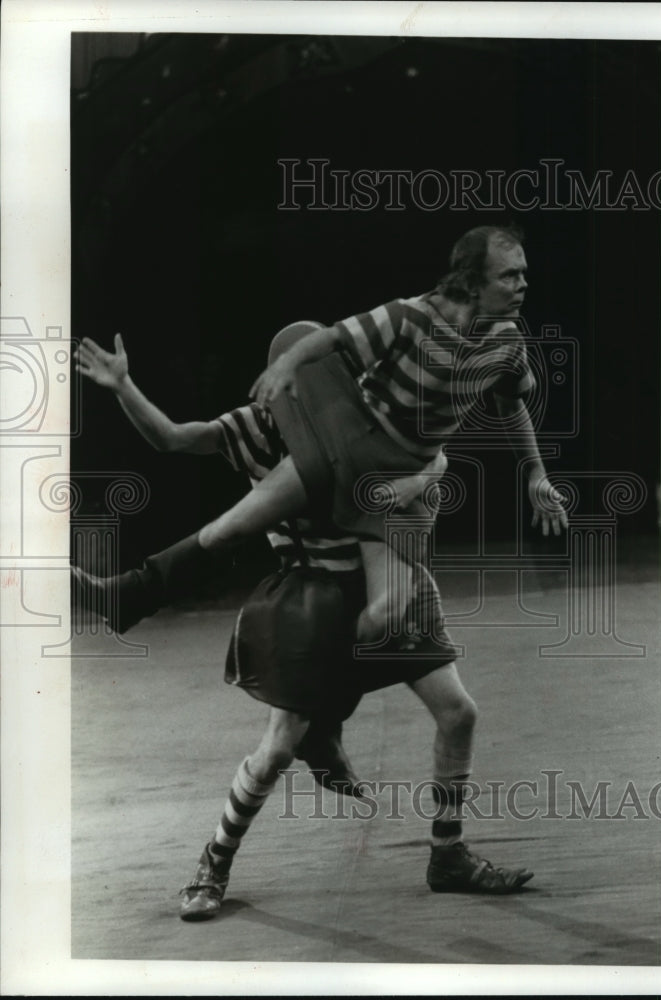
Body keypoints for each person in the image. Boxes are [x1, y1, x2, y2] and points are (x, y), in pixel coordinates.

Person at [71, 327, 535, 919]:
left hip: (387, 574)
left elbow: (432, 458)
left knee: (458, 711)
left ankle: (447, 853)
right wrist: (123, 385)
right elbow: (173, 439)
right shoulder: (254, 428)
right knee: (277, 748)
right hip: (314, 595)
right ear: (278, 387)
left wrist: (414, 483)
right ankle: (214, 862)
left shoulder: (363, 418)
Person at [73, 224, 568, 646]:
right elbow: (330, 339)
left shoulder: (508, 340)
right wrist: (285, 364)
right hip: (348, 465)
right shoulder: (408, 318)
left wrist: (536, 475)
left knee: (385, 619)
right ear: (471, 283)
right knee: (226, 530)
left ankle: (326, 680)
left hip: (401, 492)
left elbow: (511, 404)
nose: (524, 283)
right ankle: (127, 596)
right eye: (510, 274)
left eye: (523, 272)